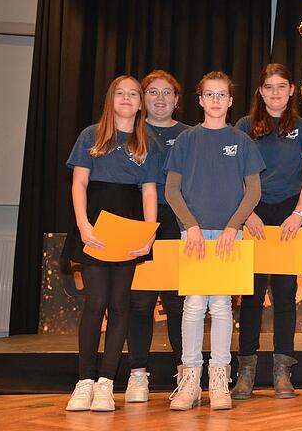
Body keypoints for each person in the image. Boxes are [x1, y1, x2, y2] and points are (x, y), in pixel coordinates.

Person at [166, 71, 265, 410]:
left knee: (221, 305)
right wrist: (190, 226)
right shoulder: (186, 140)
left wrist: (231, 227)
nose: (216, 101)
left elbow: (253, 191)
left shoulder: (241, 141)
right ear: (200, 99)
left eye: (222, 95)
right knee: (194, 306)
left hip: (229, 235)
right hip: (192, 234)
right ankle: (190, 380)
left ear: (231, 100)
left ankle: (219, 378)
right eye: (210, 94)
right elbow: (171, 190)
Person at [64, 75, 158, 412]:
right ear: (111, 99)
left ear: (140, 103)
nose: (127, 99)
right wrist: (83, 225)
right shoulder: (91, 135)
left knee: (120, 304)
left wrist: (148, 234)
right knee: (96, 302)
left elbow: (149, 190)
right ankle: (84, 381)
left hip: (128, 228)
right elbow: (79, 184)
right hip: (95, 228)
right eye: (121, 93)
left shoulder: (147, 141)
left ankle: (106, 383)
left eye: (134, 94)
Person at [233, 63, 302, 399]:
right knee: (250, 296)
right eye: (268, 87)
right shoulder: (243, 126)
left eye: (281, 86)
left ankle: (282, 371)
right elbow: (235, 176)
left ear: (292, 89)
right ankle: (246, 372)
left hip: (289, 216)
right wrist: (247, 213)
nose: (275, 93)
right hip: (252, 215)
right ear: (260, 91)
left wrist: (299, 213)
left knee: (285, 296)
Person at [125, 70, 191, 403]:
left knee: (179, 303)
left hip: (179, 223)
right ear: (142, 98)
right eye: (153, 92)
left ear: (177, 100)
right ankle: (138, 373)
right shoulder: (129, 131)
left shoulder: (192, 135)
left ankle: (185, 372)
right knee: (140, 303)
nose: (160, 98)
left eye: (167, 92)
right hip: (139, 222)